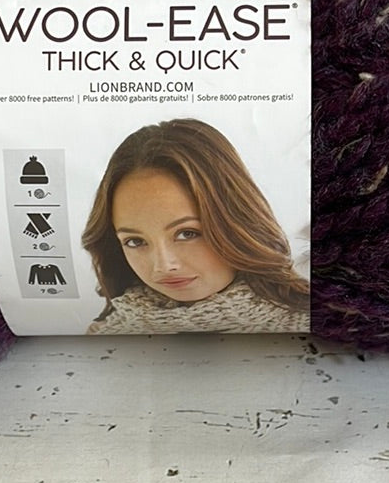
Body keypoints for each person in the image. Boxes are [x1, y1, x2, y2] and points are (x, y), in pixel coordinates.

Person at [82, 118, 309, 334]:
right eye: (135, 241)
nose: (163, 266)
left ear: (237, 223)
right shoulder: (105, 336)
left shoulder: (311, 326)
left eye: (187, 233)